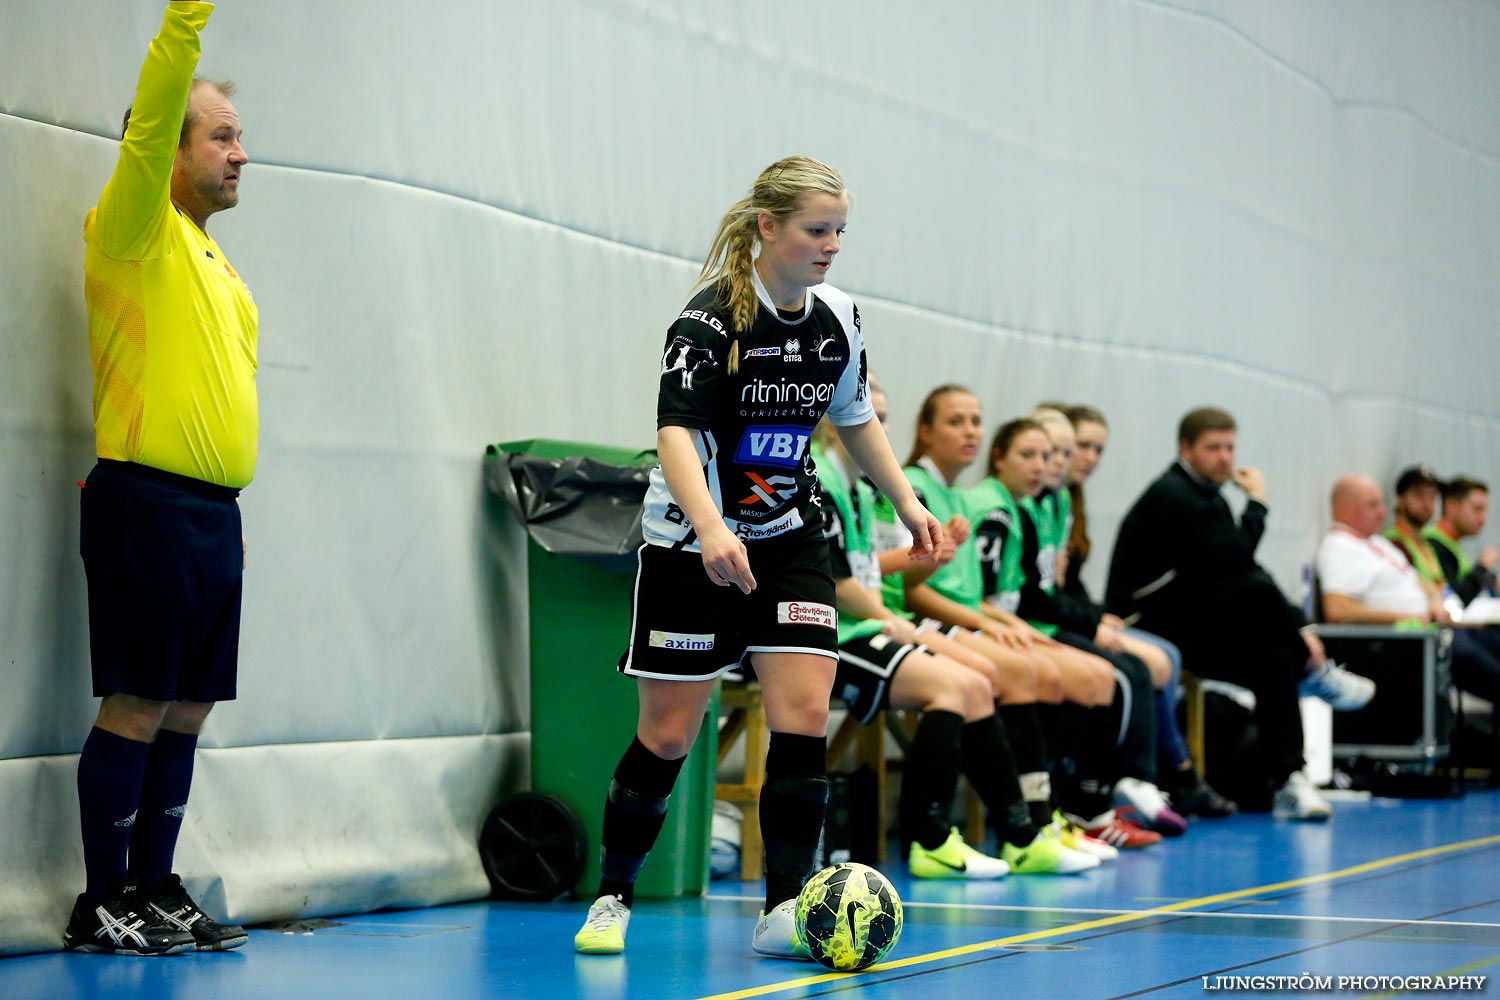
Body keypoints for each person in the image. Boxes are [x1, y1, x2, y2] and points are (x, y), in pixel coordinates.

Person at [572, 157, 941, 958]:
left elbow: (853, 418)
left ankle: (783, 908)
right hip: (690, 546)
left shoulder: (839, 315)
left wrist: (907, 501)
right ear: (768, 227)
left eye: (840, 230)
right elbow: (675, 433)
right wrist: (709, 526)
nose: (832, 246)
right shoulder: (709, 321)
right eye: (817, 230)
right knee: (669, 735)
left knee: (804, 716)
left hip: (788, 539)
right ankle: (612, 895)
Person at [66, 1, 255, 956]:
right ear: (168, 148)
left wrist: (226, 509)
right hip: (142, 502)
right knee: (138, 701)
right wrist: (187, 17)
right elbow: (154, 110)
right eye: (221, 136)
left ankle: (155, 886)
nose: (240, 154)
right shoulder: (133, 226)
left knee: (187, 706)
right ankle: (100, 900)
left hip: (206, 515)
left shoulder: (217, 266)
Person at [813, 397, 1096, 878]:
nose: (877, 430)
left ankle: (1022, 831)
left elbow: (873, 577)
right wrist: (901, 602)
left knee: (983, 679)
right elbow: (847, 584)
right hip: (829, 628)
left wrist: (933, 564)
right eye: (870, 418)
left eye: (883, 420)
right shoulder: (827, 480)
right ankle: (935, 837)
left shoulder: (859, 488)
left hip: (868, 619)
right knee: (964, 683)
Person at [1105, 408, 1366, 821]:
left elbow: (1244, 568)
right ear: (1185, 449)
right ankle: (1314, 672)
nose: (1225, 458)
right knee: (1252, 591)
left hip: (1190, 619)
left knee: (1272, 658)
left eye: (1230, 448)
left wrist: (1300, 625)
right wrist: (1258, 503)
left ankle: (1289, 781)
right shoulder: (1173, 495)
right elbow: (1235, 560)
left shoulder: (1211, 498)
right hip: (1146, 621)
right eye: (1213, 448)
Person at [969, 417, 1167, 847]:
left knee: (1105, 673)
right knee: (1093, 675)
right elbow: (985, 595)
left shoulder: (1036, 505)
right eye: (1035, 454)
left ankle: (1079, 806)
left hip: (1008, 623)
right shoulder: (997, 506)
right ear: (999, 455)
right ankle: (1044, 810)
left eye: (1053, 454)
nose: (1048, 464)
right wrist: (1011, 624)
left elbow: (1030, 590)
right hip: (983, 626)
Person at [1053, 405, 1236, 819]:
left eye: (1096, 449)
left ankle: (1166, 775)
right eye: (1078, 447)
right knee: (1146, 664)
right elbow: (1037, 590)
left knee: (1166, 657)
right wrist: (1093, 619)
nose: (1087, 459)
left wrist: (1095, 615)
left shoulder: (1068, 502)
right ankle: (1162, 775)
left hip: (1073, 614)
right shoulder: (1041, 503)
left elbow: (1069, 585)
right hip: (1048, 621)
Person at [1317, 476, 1500, 706]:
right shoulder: (1339, 548)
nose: (1383, 512)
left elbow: (1421, 581)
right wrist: (1413, 616)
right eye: (1373, 505)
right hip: (1411, 642)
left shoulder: (1376, 543)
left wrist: (1434, 602)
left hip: (1438, 628)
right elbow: (1337, 610)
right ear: (1346, 508)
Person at [1427, 477, 1500, 606]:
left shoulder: (1452, 545)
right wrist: (1482, 568)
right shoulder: (1432, 544)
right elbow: (1455, 600)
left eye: (1485, 511)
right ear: (1451, 506)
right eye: (1477, 509)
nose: (1483, 519)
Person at [1382, 466, 1446, 589]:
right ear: (1400, 500)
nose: (1426, 503)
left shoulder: (1425, 544)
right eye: (1419, 495)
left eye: (1432, 496)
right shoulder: (1394, 543)